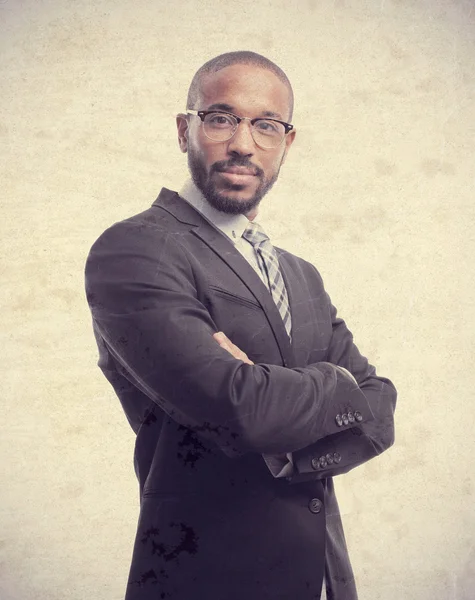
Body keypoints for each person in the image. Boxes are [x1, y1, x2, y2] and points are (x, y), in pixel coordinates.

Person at [84, 50, 397, 600]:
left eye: (266, 125)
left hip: (323, 581)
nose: (244, 144)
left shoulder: (302, 275)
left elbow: (378, 412)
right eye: (222, 118)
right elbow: (240, 411)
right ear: (185, 130)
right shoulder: (136, 249)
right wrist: (337, 384)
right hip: (205, 578)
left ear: (287, 143)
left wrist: (289, 416)